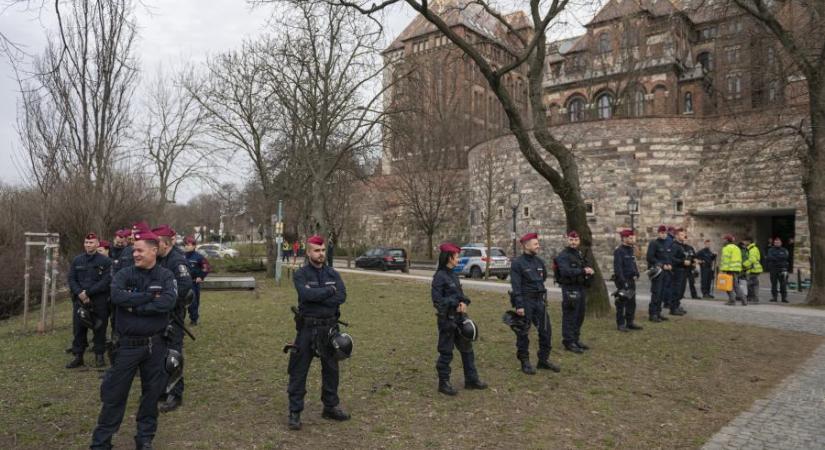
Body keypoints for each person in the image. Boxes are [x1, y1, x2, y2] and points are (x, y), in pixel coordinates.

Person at [89, 230, 177, 450]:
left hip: (156, 346)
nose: (134, 254)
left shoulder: (165, 276)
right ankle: (101, 442)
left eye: (139, 250)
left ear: (154, 250)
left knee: (151, 395)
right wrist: (148, 297)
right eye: (133, 250)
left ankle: (145, 439)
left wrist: (133, 304)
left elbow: (166, 303)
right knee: (114, 395)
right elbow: (117, 296)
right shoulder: (123, 273)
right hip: (127, 346)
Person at [287, 235, 350, 431]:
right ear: (308, 252)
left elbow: (342, 296)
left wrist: (321, 295)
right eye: (316, 250)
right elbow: (306, 295)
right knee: (299, 371)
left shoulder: (333, 273)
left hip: (330, 329)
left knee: (331, 370)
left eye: (323, 250)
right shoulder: (300, 275)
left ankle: (330, 407)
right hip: (308, 328)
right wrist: (328, 292)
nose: (320, 254)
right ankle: (295, 412)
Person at [431, 242, 487, 396]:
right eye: (456, 256)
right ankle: (444, 383)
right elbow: (437, 302)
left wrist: (464, 302)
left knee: (467, 350)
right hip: (447, 321)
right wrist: (455, 303)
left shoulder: (454, 275)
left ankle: (471, 380)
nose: (458, 259)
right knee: (446, 352)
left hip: (460, 319)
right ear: (449, 258)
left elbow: (460, 295)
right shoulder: (439, 277)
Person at [153, 225, 193, 413]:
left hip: (173, 315)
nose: (154, 246)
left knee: (173, 354)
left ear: (166, 243)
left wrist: (165, 300)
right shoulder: (159, 260)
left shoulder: (177, 261)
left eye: (157, 242)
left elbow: (185, 286)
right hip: (159, 315)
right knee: (159, 353)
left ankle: (175, 393)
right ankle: (162, 389)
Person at [509, 232, 561, 374]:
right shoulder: (517, 263)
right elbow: (516, 286)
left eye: (538, 243)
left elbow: (542, 278)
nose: (538, 246)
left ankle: (543, 360)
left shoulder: (539, 262)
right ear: (526, 245)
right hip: (526, 302)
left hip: (539, 301)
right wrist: (519, 305)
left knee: (546, 331)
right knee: (523, 332)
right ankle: (525, 362)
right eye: (535, 244)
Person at [67, 233, 112, 369]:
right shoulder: (77, 260)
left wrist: (88, 292)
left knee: (99, 328)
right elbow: (71, 279)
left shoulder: (105, 261)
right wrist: (79, 292)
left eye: (91, 242)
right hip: (80, 300)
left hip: (99, 300)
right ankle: (78, 356)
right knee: (79, 329)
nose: (88, 245)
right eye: (86, 242)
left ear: (97, 244)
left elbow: (106, 281)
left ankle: (99, 356)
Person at [556, 231, 594, 353]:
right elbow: (565, 272)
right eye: (571, 240)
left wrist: (589, 271)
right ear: (567, 240)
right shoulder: (563, 255)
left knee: (580, 315)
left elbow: (583, 267)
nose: (573, 242)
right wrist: (583, 271)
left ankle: (576, 339)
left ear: (579, 241)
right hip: (569, 288)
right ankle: (568, 341)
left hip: (580, 287)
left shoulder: (579, 254)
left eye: (576, 240)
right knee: (570, 315)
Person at [612, 229, 642, 332]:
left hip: (631, 280)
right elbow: (618, 268)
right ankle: (620, 324)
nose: (633, 239)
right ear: (624, 238)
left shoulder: (630, 249)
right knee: (621, 303)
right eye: (630, 238)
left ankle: (630, 322)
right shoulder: (619, 251)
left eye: (633, 237)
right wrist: (622, 281)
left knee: (631, 302)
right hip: (623, 280)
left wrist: (636, 273)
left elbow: (633, 264)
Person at [646, 225, 673, 322]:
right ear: (658, 233)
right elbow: (650, 257)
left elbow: (669, 257)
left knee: (662, 293)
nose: (663, 235)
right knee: (656, 293)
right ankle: (652, 314)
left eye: (665, 233)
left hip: (666, 272)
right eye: (662, 233)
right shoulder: (654, 243)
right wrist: (661, 265)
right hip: (657, 272)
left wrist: (670, 264)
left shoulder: (669, 243)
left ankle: (658, 313)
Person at [183, 236, 210, 325]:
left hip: (193, 283)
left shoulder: (199, 257)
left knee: (193, 302)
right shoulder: (181, 256)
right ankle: (179, 319)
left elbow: (206, 268)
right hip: (183, 283)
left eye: (189, 245)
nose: (187, 246)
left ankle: (193, 319)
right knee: (180, 302)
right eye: (186, 244)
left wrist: (201, 277)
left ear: (194, 246)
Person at [720, 234, 747, 306]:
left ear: (727, 240)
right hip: (736, 269)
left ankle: (732, 300)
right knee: (735, 286)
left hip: (729, 269)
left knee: (728, 285)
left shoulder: (726, 248)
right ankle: (743, 300)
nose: (723, 241)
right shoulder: (736, 248)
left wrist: (723, 269)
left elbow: (726, 260)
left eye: (724, 239)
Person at [668, 228, 689, 316]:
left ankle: (677, 305)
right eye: (681, 234)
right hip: (677, 270)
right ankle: (673, 308)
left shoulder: (681, 246)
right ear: (676, 236)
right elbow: (671, 258)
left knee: (680, 290)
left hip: (682, 270)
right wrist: (682, 262)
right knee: (676, 290)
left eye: (683, 234)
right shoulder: (674, 245)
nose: (683, 236)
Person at [766, 237, 790, 303]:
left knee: (783, 284)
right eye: (776, 242)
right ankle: (774, 297)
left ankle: (784, 298)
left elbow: (785, 257)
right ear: (774, 243)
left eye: (778, 242)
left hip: (782, 269)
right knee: (774, 284)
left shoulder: (784, 250)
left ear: (781, 243)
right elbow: (770, 257)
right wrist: (779, 258)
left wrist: (776, 258)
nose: (777, 243)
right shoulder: (770, 250)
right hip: (773, 269)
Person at [741, 236, 763, 303]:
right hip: (754, 269)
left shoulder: (752, 249)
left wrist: (744, 264)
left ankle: (752, 298)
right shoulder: (753, 248)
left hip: (753, 269)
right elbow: (758, 258)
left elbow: (752, 259)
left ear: (749, 241)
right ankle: (755, 299)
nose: (743, 242)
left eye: (744, 241)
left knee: (750, 285)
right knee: (755, 285)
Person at [683, 235, 700, 299]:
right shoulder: (680, 247)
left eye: (686, 240)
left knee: (692, 282)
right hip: (683, 268)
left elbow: (694, 256)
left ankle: (694, 295)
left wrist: (695, 261)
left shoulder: (690, 248)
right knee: (682, 283)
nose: (685, 241)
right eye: (684, 240)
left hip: (690, 268)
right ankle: (681, 294)